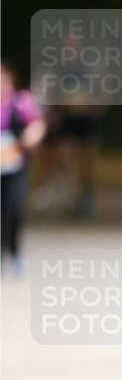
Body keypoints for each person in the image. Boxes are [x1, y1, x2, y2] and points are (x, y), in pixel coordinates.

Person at [1, 60, 46, 273]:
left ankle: (15, 251)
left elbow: (37, 124)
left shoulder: (22, 101)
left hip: (15, 166)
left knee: (14, 209)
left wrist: (31, 136)